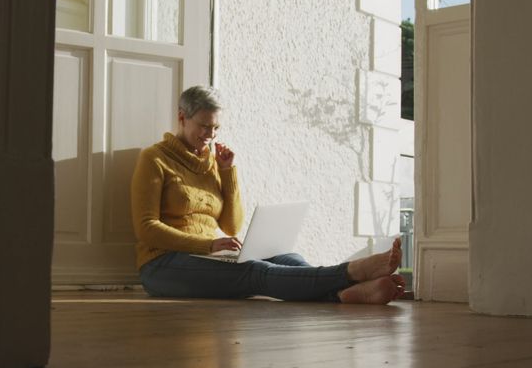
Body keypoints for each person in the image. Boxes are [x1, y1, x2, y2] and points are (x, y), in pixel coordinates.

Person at [130, 85, 405, 304]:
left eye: (216, 128)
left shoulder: (214, 162)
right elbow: (146, 229)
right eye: (204, 126)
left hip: (207, 258)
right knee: (255, 272)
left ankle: (344, 294)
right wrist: (208, 246)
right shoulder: (154, 158)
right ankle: (351, 274)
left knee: (287, 257)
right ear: (182, 117)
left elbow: (231, 225)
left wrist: (228, 172)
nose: (210, 135)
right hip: (163, 266)